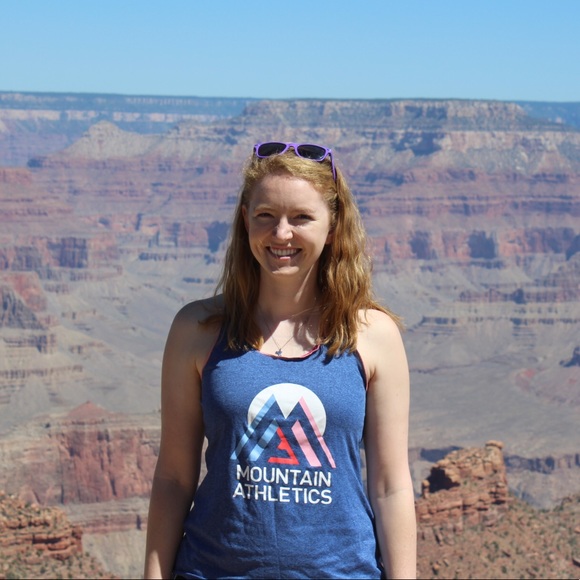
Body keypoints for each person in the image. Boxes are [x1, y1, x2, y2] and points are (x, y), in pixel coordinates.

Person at [144, 141, 417, 579]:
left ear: (333, 227)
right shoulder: (197, 330)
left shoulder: (372, 335)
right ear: (245, 221)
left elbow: (390, 486)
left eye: (301, 217)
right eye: (266, 215)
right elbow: (173, 478)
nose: (281, 234)